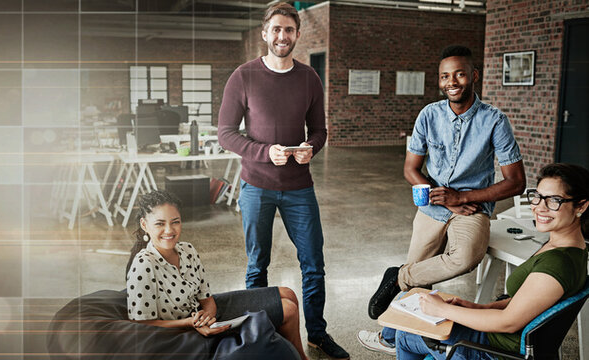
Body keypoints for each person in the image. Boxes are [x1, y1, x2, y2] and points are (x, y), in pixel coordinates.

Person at [217, 3, 347, 358]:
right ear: (265, 33)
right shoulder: (243, 76)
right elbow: (225, 134)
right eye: (276, 29)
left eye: (289, 30)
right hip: (256, 186)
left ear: (297, 35)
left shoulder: (309, 78)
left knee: (313, 265)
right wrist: (263, 152)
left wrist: (310, 148)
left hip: (299, 187)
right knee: (257, 265)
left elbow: (319, 130)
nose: (282, 36)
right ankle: (257, 334)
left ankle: (317, 334)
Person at [366, 45, 527, 323]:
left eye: (459, 74)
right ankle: (400, 334)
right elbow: (411, 169)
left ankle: (397, 276)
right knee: (421, 279)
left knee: (463, 258)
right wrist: (440, 197)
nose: (451, 82)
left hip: (472, 208)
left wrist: (462, 198)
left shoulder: (495, 121)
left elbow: (516, 182)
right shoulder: (428, 115)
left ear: (474, 76)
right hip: (433, 204)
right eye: (444, 76)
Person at [364, 163, 589, 359]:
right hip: (499, 340)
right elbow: (524, 301)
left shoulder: (558, 264)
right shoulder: (569, 248)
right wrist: (477, 307)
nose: (539, 207)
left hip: (493, 351)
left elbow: (508, 322)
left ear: (581, 205)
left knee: (405, 334)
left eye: (554, 200)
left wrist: (443, 309)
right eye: (538, 196)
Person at [125, 190, 308, 360]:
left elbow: (207, 299)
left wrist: (207, 318)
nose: (169, 230)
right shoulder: (144, 265)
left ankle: (297, 356)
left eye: (175, 222)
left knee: (288, 294)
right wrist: (191, 323)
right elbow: (142, 325)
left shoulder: (187, 250)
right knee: (288, 309)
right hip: (184, 330)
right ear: (144, 224)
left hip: (206, 315)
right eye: (160, 224)